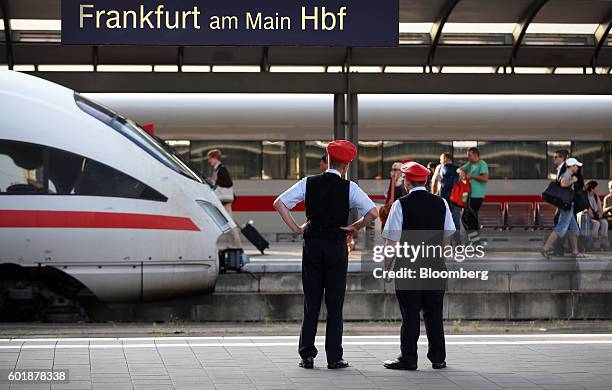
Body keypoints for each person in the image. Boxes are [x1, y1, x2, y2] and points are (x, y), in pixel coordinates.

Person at [273, 140, 378, 370]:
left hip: (312, 244)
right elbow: (373, 212)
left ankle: (307, 355)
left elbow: (279, 203)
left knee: (311, 301)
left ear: (327, 160)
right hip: (335, 246)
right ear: (347, 165)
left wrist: (297, 228)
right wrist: (355, 227)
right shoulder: (350, 188)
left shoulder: (308, 183)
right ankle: (334, 357)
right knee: (335, 303)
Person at [382, 161, 456, 371]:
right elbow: (447, 238)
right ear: (424, 180)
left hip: (408, 267)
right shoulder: (441, 203)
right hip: (435, 266)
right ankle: (438, 358)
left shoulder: (400, 204)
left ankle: (409, 358)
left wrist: (387, 269)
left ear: (406, 182)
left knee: (410, 314)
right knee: (434, 313)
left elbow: (391, 243)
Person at [541, 158, 584, 258]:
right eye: (576, 166)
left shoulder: (568, 174)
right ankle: (545, 249)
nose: (577, 168)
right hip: (567, 207)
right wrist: (573, 180)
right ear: (572, 166)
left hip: (569, 206)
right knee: (561, 228)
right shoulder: (567, 174)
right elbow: (563, 183)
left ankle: (575, 251)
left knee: (574, 229)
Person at [207, 149, 241, 248]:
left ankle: (237, 245)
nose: (209, 161)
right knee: (229, 222)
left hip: (224, 200)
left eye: (210, 159)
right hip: (224, 201)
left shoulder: (221, 169)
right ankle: (236, 245)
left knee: (228, 223)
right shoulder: (217, 169)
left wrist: (216, 181)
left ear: (215, 158)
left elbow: (228, 183)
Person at [458, 147, 488, 245]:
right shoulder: (469, 164)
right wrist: (461, 172)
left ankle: (475, 241)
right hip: (468, 195)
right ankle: (474, 239)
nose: (468, 157)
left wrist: (472, 176)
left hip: (477, 195)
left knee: (471, 217)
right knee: (465, 217)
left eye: (469, 155)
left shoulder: (482, 164)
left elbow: (485, 178)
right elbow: (459, 169)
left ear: (475, 155)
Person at [432, 153, 461, 244]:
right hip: (456, 199)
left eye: (441, 159)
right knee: (456, 220)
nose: (440, 161)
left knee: (443, 220)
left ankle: (446, 242)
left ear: (445, 159)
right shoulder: (458, 168)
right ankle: (458, 242)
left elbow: (434, 182)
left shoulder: (440, 168)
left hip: (443, 198)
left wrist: (433, 195)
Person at [577, 180, 609, 251]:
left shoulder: (595, 196)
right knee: (596, 224)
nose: (598, 189)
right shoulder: (584, 195)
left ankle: (603, 243)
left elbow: (600, 208)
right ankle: (592, 242)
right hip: (587, 217)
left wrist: (600, 213)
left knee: (604, 223)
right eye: (596, 188)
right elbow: (583, 208)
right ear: (591, 189)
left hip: (595, 216)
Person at [380, 162, 407, 230]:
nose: (393, 171)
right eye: (392, 169)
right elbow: (388, 195)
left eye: (395, 170)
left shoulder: (403, 182)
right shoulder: (394, 181)